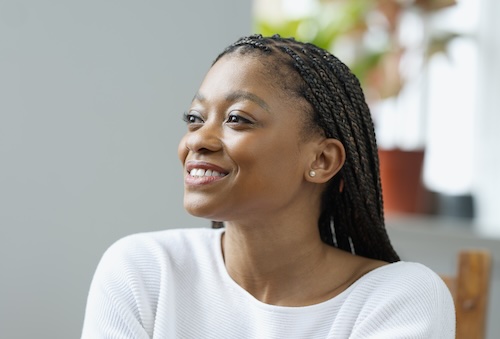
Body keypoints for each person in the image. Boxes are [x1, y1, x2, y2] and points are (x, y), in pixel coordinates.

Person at [81, 34, 455, 338]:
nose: (198, 140)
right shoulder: (144, 269)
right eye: (195, 118)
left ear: (321, 161)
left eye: (238, 119)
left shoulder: (399, 297)